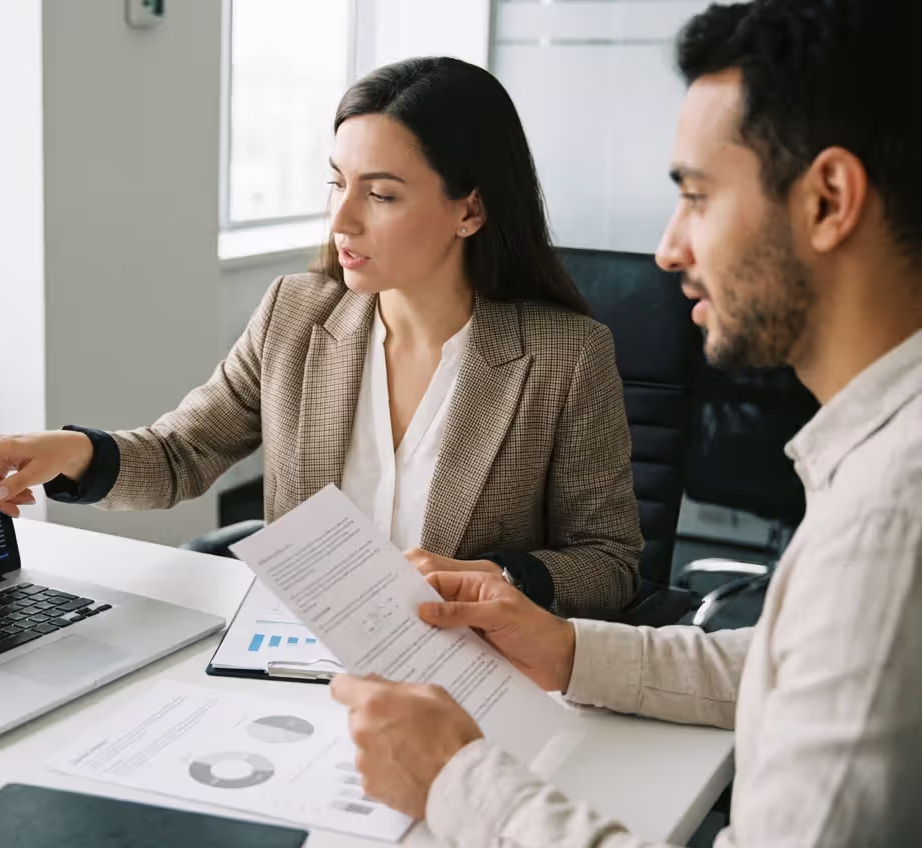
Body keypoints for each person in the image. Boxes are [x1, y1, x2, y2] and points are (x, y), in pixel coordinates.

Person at [330, 1, 922, 845]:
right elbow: (798, 666)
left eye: (697, 197)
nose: (669, 248)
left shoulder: (888, 523)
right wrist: (569, 650)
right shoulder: (882, 457)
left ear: (828, 200)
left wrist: (456, 779)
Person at [0, 57, 644, 615]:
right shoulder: (296, 314)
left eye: (382, 194)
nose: (342, 221)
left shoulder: (564, 358)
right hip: (296, 658)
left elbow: (609, 562)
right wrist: (73, 453)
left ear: (471, 211)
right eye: (338, 184)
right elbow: (184, 452)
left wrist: (494, 578)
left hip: (463, 673)